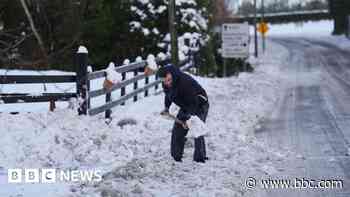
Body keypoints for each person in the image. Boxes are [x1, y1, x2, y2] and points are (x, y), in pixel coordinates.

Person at [156, 64, 209, 163]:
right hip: (185, 105)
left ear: (171, 74)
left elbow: (193, 102)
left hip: (199, 103)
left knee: (196, 127)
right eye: (164, 81)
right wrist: (167, 108)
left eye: (168, 80)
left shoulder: (184, 82)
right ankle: (176, 156)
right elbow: (168, 95)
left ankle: (199, 158)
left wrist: (188, 119)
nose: (167, 83)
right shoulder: (166, 83)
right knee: (177, 129)